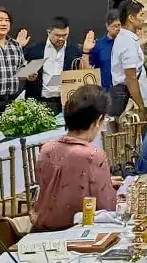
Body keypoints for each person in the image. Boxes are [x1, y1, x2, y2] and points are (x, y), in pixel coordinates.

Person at [30, 85, 118, 231]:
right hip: (76, 234)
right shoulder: (93, 156)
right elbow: (107, 209)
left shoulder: (46, 149)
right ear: (98, 120)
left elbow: (56, 188)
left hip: (39, 230)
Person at [22, 17, 93, 111]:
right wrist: (28, 75)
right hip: (38, 102)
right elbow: (21, 73)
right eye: (57, 35)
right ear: (49, 32)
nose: (61, 38)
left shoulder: (74, 50)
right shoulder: (34, 50)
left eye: (64, 35)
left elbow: (86, 74)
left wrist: (86, 51)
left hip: (66, 103)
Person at [110, 0, 147, 116]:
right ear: (131, 18)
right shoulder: (128, 42)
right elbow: (131, 77)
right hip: (131, 102)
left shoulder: (124, 38)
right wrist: (141, 106)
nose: (144, 19)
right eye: (141, 15)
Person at [0, 7, 28, 121]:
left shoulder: (15, 45)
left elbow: (21, 71)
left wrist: (29, 74)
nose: (4, 23)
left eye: (7, 20)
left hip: (12, 102)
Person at [89, 9, 121, 91]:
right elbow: (89, 68)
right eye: (115, 26)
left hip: (122, 92)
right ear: (107, 26)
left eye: (120, 26)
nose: (118, 29)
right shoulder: (98, 45)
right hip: (103, 92)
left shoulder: (126, 44)